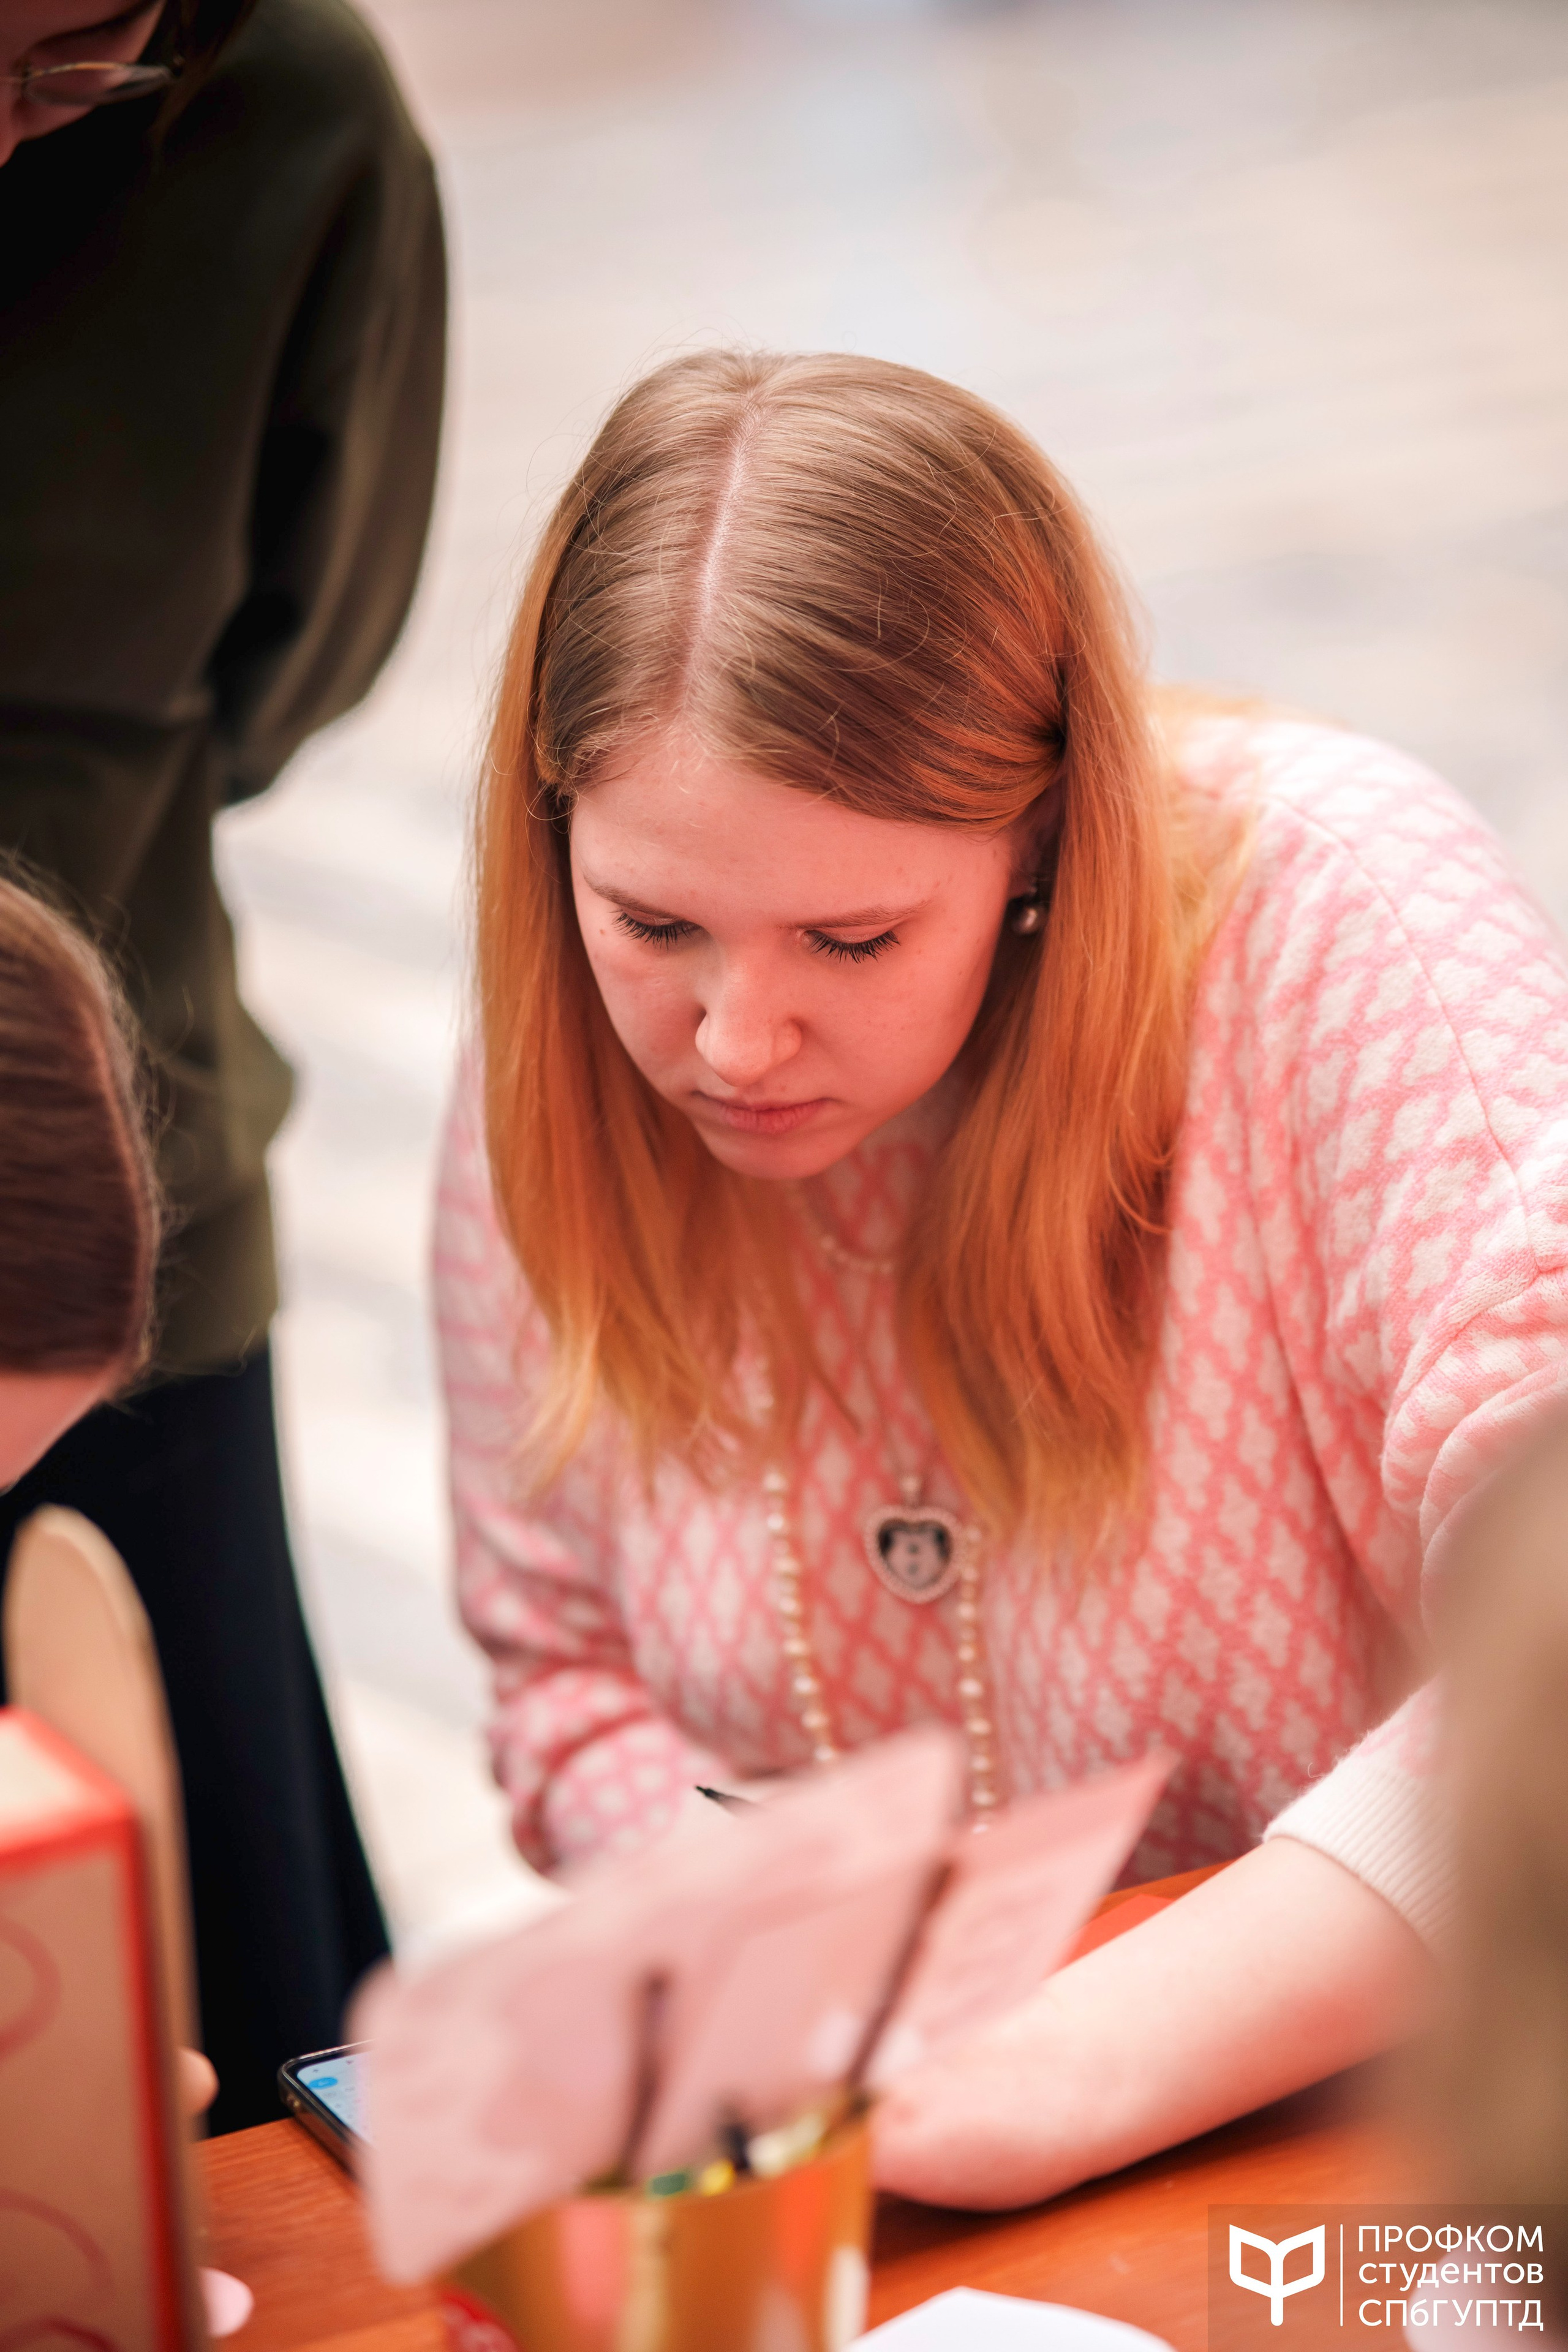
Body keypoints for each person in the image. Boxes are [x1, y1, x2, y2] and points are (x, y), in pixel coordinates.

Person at [434, 349, 1568, 2209]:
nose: (731, 1040)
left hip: (1390, 2156)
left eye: (853, 935)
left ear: (1040, 839)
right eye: (655, 924)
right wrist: (800, 1963)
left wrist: (1049, 2068)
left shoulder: (1350, 930)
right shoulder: (556, 1070)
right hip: (880, 2169)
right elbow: (561, 1677)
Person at [0, 0, 445, 2129]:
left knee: (245, 2049)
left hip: (105, 1222)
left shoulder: (288, 120)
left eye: (72, 64)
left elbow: (298, 661)